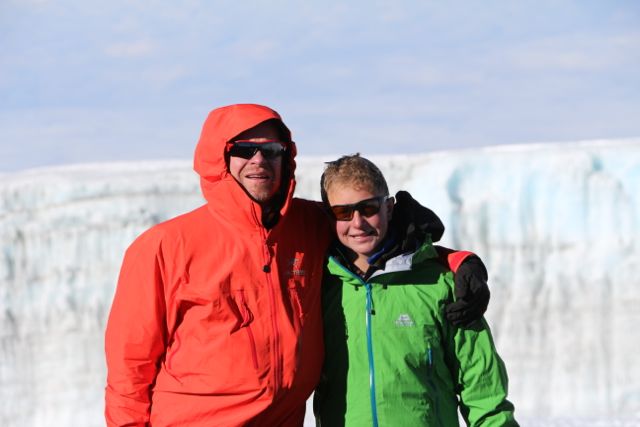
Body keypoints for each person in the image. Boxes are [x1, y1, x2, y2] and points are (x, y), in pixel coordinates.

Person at [104, 104, 490, 426]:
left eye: (272, 150)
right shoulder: (163, 247)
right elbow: (130, 368)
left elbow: (387, 240)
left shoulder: (311, 224)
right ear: (218, 158)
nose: (259, 160)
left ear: (286, 157)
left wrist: (458, 261)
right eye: (244, 149)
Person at [314, 154, 518, 426]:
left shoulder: (441, 284)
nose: (358, 223)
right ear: (330, 217)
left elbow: (482, 388)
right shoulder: (318, 286)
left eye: (369, 208)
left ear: (388, 208)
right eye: (343, 212)